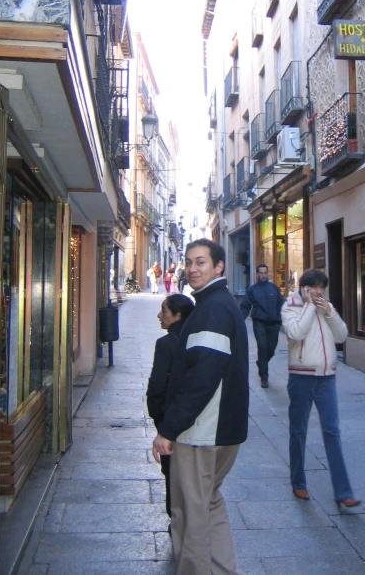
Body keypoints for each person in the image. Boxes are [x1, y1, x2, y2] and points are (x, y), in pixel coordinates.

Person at [153, 238, 249, 574]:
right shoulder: (215, 304)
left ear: (219, 267)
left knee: (190, 513)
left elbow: (202, 379)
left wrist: (169, 429)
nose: (193, 269)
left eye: (201, 262)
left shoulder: (213, 309)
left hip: (202, 432)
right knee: (208, 504)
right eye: (189, 262)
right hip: (221, 430)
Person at [282, 268, 360, 509]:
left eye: (321, 288)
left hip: (327, 378)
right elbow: (295, 333)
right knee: (298, 431)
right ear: (304, 288)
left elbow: (342, 335)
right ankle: (298, 481)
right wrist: (308, 307)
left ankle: (343, 491)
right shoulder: (290, 307)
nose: (318, 292)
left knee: (332, 432)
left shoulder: (327, 306)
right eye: (314, 287)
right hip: (301, 377)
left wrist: (329, 311)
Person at [146, 294, 194, 523]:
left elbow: (157, 385)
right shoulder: (195, 340)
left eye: (163, 311)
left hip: (170, 419)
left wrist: (157, 416)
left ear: (178, 316)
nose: (159, 315)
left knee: (171, 472)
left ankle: (176, 521)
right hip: (193, 418)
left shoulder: (166, 344)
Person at [240, 264, 284, 388]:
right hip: (259, 323)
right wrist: (239, 321)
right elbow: (244, 307)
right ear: (257, 274)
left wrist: (280, 319)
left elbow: (280, 304)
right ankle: (264, 377)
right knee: (262, 347)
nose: (263, 275)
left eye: (265, 273)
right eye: (261, 273)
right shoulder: (252, 290)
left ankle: (261, 363)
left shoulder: (274, 289)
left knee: (271, 350)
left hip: (274, 324)